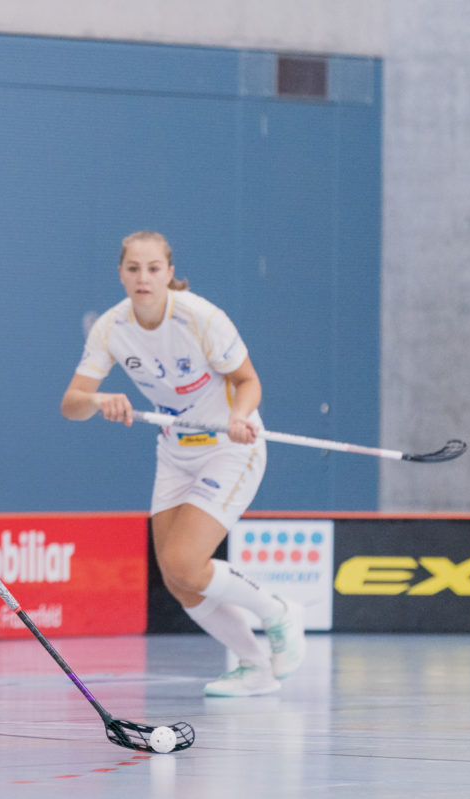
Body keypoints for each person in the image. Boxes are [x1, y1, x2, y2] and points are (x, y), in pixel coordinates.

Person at [60, 231, 305, 697]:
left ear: (169, 273)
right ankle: (255, 666)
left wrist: (237, 415)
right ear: (121, 274)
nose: (143, 278)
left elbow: (248, 381)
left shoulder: (200, 317)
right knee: (179, 579)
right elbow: (71, 402)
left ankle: (278, 612)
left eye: (153, 269)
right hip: (175, 453)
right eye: (133, 269)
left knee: (185, 561)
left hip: (232, 448)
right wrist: (98, 400)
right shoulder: (111, 328)